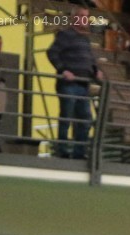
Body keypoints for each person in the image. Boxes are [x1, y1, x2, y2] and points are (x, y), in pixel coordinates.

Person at [46, 14, 104, 159]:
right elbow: (52, 52)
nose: (86, 20)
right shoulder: (65, 35)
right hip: (69, 84)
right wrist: (63, 70)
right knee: (67, 117)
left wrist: (96, 71)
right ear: (75, 18)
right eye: (82, 16)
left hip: (83, 84)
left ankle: (79, 151)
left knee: (85, 119)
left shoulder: (85, 39)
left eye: (87, 17)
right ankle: (63, 151)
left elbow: (90, 60)